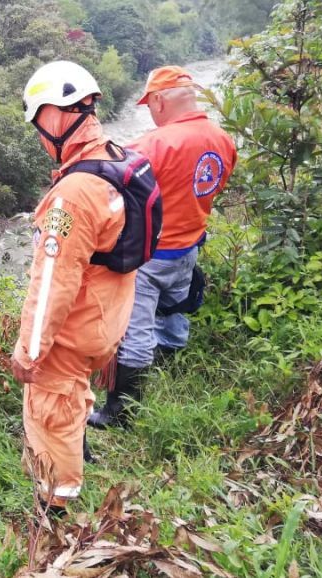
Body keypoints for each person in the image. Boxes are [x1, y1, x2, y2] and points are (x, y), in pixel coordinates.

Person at [10, 61, 140, 510]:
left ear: (55, 116)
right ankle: (78, 454)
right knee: (72, 394)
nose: (39, 137)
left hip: (74, 330)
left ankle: (56, 508)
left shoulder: (74, 194)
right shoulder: (116, 160)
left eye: (38, 124)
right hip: (108, 317)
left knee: (50, 413)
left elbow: (53, 282)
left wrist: (29, 351)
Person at [87, 65, 237, 429]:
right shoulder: (223, 140)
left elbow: (105, 187)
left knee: (135, 331)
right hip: (189, 246)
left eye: (149, 105)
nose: (150, 112)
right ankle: (170, 364)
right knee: (173, 308)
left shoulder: (151, 146)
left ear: (158, 101)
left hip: (150, 255)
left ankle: (119, 412)